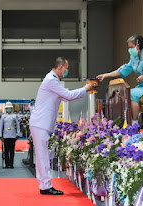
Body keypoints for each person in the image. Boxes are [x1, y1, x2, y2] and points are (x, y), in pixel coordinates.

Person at [29, 57, 97, 195]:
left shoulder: (52, 79)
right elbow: (68, 95)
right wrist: (86, 88)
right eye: (66, 68)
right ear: (60, 67)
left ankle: (45, 184)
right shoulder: (51, 80)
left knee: (43, 155)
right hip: (40, 122)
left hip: (41, 123)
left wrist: (85, 89)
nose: (67, 71)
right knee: (42, 156)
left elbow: (65, 97)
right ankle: (45, 186)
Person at [97, 35, 143, 125]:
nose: (129, 50)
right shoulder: (134, 58)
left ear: (138, 45)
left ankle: (134, 123)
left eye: (131, 47)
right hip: (142, 86)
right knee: (125, 93)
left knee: (131, 94)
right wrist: (106, 75)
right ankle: (127, 122)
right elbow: (124, 69)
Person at [0, 101, 20, 169]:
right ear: (5, 109)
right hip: (5, 135)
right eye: (7, 108)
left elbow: (18, 125)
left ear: (12, 109)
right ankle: (7, 164)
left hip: (13, 135)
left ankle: (11, 164)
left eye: (10, 108)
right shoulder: (3, 116)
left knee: (12, 151)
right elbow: (1, 126)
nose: (9, 109)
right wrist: (0, 135)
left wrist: (18, 133)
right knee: (6, 151)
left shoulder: (14, 116)